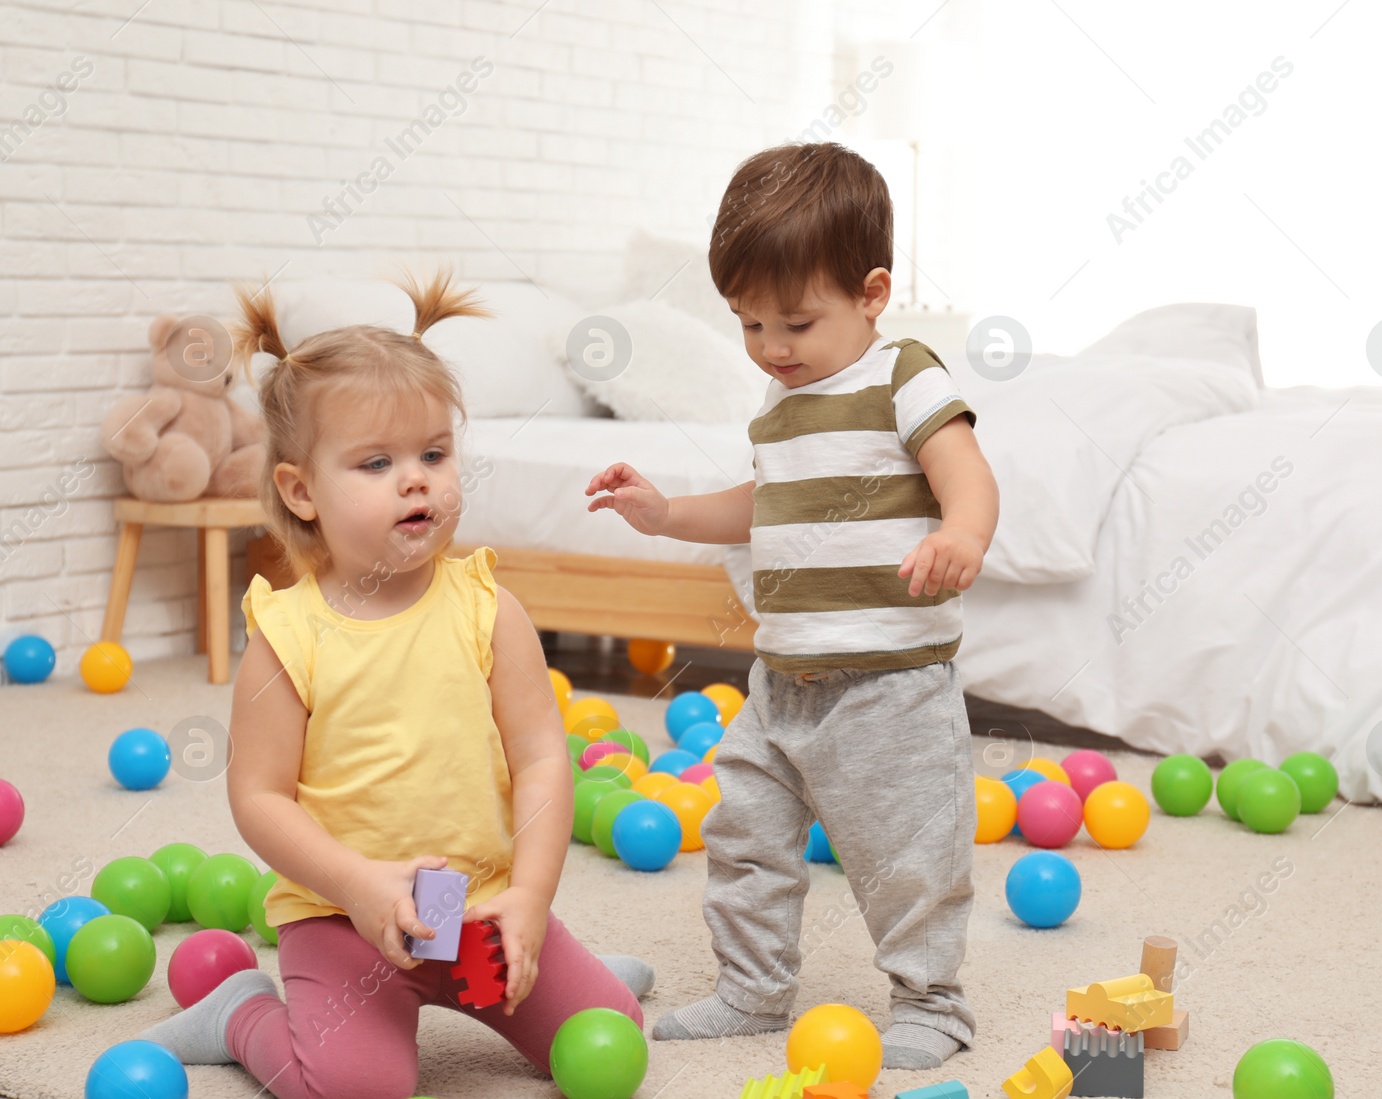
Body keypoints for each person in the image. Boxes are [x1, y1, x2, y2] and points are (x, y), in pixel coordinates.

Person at [139, 270, 650, 1099]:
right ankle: (240, 1013)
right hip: (345, 919)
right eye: (376, 462)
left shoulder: (491, 608)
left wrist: (528, 898)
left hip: (479, 907)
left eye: (434, 454)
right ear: (301, 490)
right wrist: (358, 885)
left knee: (612, 1033)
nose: (416, 479)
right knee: (355, 1087)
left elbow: (544, 762)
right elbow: (259, 798)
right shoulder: (287, 635)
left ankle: (563, 957)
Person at [584, 142, 1000, 1070]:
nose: (773, 347)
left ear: (873, 293)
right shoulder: (780, 403)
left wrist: (963, 535)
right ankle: (753, 986)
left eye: (798, 323)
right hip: (783, 679)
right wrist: (666, 515)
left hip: (890, 684)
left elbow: (966, 472)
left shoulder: (906, 376)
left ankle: (933, 999)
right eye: (750, 324)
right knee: (743, 835)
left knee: (908, 854)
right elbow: (758, 503)